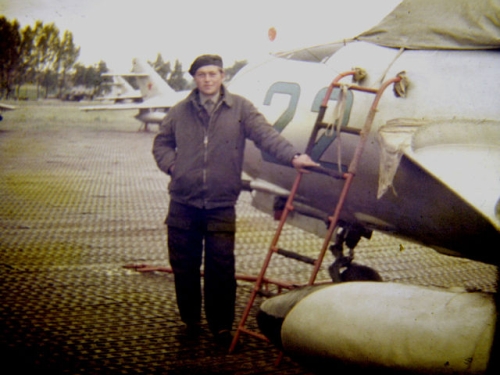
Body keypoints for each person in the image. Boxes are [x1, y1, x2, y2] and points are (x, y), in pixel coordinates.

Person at [152, 54, 318, 348]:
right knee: (184, 265)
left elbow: (266, 135)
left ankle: (221, 326)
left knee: (221, 267)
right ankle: (190, 319)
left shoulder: (240, 109)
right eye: (202, 74)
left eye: (213, 74)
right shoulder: (179, 111)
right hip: (183, 202)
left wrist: (293, 156)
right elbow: (161, 143)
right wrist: (173, 166)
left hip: (220, 204)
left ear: (222, 76)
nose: (207, 80)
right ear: (195, 78)